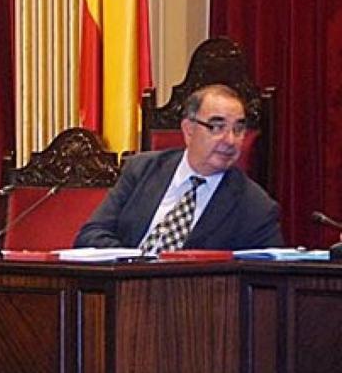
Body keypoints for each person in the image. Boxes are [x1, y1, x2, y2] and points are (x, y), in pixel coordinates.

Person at [74, 84, 283, 251]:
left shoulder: (256, 207)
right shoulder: (141, 170)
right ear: (189, 130)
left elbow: (265, 282)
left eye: (238, 129)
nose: (230, 140)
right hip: (124, 293)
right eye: (217, 127)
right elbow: (91, 235)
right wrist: (136, 266)